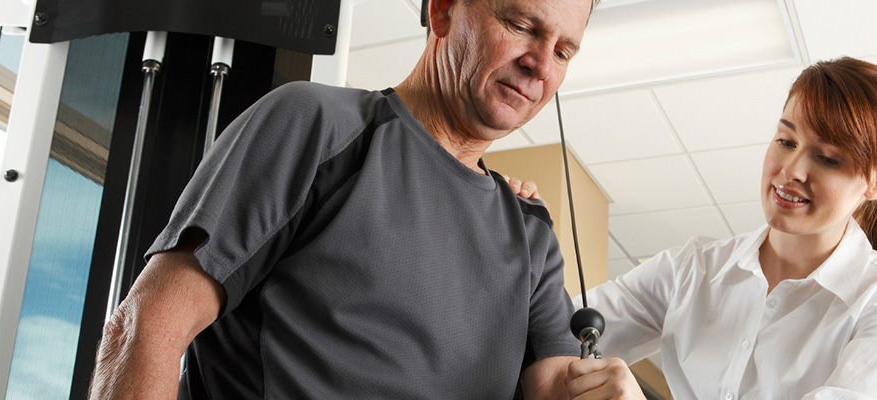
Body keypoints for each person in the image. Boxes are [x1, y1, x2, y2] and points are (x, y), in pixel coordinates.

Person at [89, 0, 600, 398]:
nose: (540, 66)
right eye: (522, 26)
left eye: (563, 51)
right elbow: (147, 326)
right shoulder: (316, 125)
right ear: (442, 10)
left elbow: (557, 387)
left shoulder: (531, 231)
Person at [566, 57, 877, 400]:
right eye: (786, 141)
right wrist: (517, 236)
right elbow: (552, 330)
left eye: (828, 159)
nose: (791, 170)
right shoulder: (692, 269)